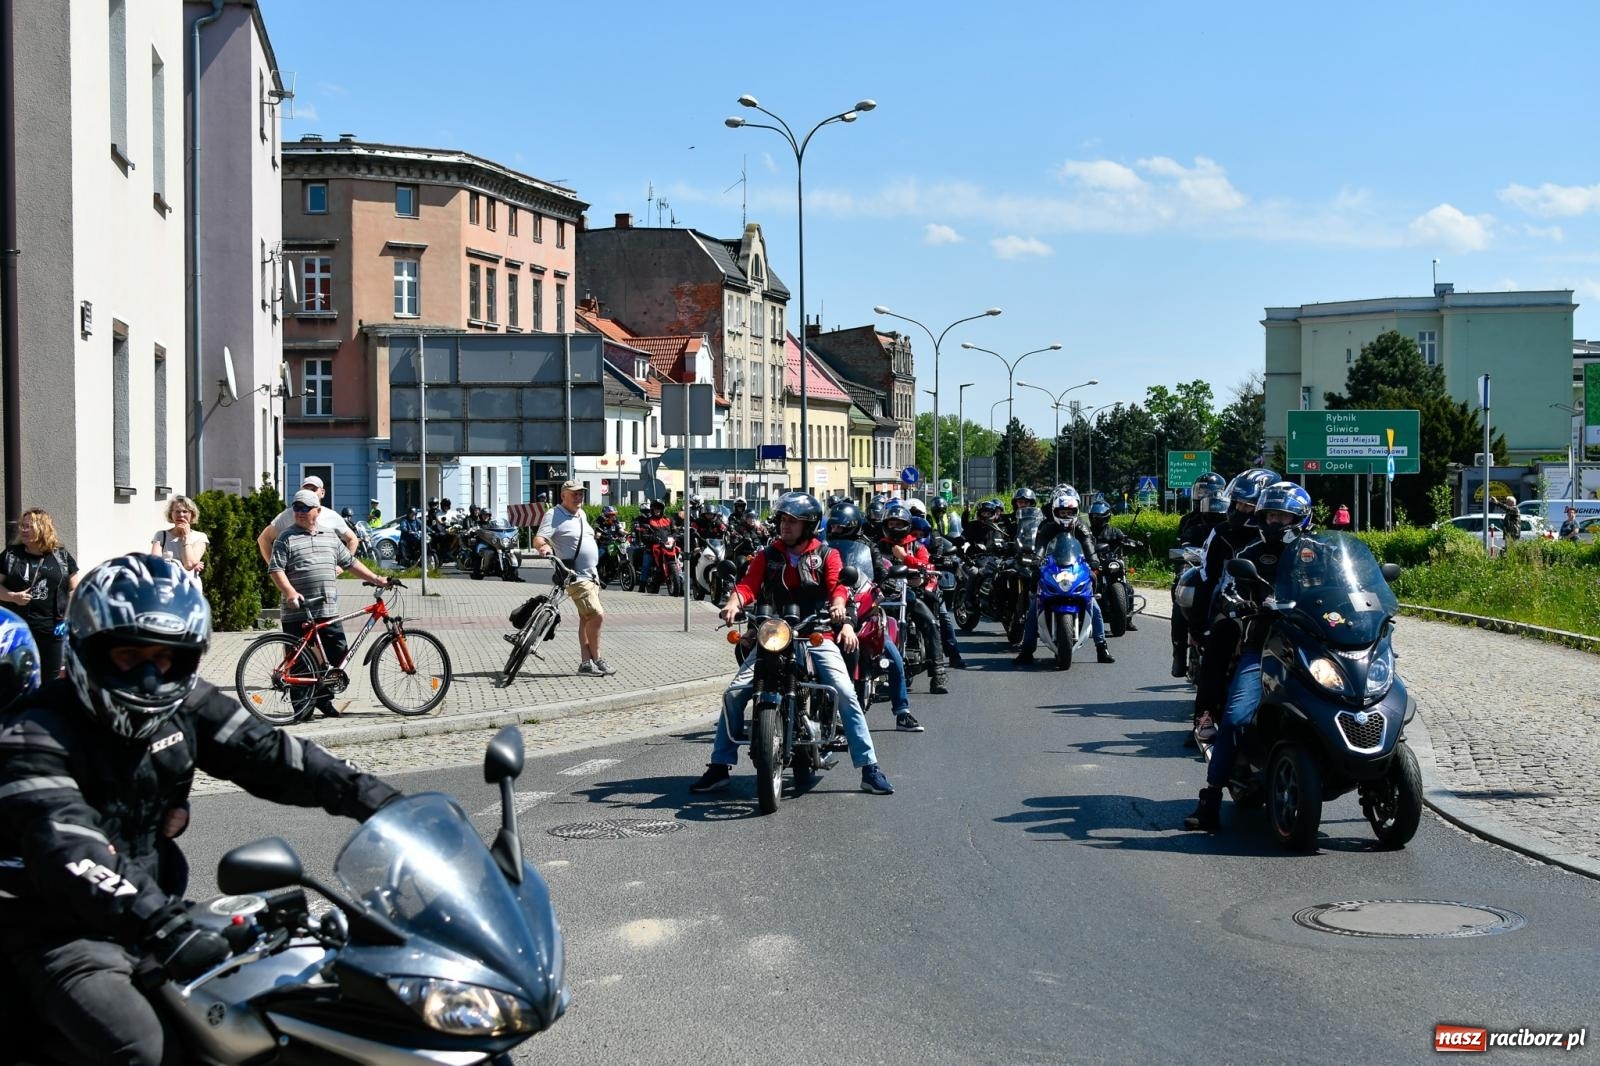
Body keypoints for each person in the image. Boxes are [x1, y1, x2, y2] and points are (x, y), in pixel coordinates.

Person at [0, 554, 403, 1066]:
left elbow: (275, 755)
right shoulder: (34, 736)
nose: (150, 676)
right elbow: (69, 847)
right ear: (88, 651)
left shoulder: (187, 705)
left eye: (165, 658)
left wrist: (379, 800)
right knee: (144, 1049)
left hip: (160, 915)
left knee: (300, 998)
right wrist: (162, 925)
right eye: (129, 656)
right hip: (63, 931)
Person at [692, 492, 893, 796]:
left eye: (793, 521)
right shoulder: (768, 554)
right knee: (734, 693)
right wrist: (733, 603)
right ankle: (719, 766)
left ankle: (869, 767)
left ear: (808, 525)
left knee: (844, 691)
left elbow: (838, 585)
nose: (785, 526)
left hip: (816, 633)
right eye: (783, 520)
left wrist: (838, 606)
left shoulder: (826, 555)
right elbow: (748, 584)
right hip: (774, 635)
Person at [1185, 481, 1311, 831]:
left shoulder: (1318, 554)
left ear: (1300, 518)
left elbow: (1344, 586)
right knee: (1238, 717)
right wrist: (1238, 602)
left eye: (1284, 516)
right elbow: (1227, 587)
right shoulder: (1252, 554)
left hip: (1312, 646)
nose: (1276, 522)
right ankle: (1210, 798)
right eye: (1270, 514)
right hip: (1264, 645)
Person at [268, 489, 397, 718]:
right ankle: (302, 708)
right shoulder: (285, 538)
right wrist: (289, 592)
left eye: (305, 508)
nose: (299, 512)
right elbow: (276, 569)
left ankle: (322, 700)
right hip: (298, 609)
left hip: (326, 607)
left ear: (317, 511)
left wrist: (377, 579)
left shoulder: (329, 536)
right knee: (300, 662)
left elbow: (350, 562)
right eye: (296, 508)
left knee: (337, 655)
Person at [1190, 468, 1277, 738]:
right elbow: (1207, 578)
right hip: (1237, 607)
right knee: (1222, 636)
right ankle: (1204, 716)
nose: (1240, 510)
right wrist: (1197, 625)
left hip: (1286, 611)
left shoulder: (1291, 538)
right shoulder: (1222, 533)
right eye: (1238, 503)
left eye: (1248, 506)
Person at [825, 500, 920, 732]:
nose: (835, 530)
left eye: (840, 527)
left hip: (864, 607)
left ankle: (902, 712)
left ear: (854, 525)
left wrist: (886, 584)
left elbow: (881, 572)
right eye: (833, 526)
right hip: (833, 610)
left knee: (893, 655)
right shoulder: (823, 547)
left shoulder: (869, 547)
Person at [1015, 490, 1114, 666]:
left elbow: (1088, 547)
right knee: (1033, 607)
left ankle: (1102, 648)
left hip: (1076, 567)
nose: (1066, 515)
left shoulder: (1082, 528)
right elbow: (1040, 547)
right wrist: (1036, 561)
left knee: (1094, 606)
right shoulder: (1048, 528)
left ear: (1075, 512)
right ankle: (1027, 650)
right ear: (1055, 512)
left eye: (1069, 512)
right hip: (1053, 568)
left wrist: (1095, 562)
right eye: (1062, 512)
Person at [532, 480, 612, 676]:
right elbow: (539, 538)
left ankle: (586, 664)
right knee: (597, 615)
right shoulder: (554, 514)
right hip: (575, 576)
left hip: (591, 575)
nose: (579, 497)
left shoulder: (581, 514)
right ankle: (598, 658)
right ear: (563, 495)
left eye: (581, 494)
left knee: (586, 618)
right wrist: (544, 547)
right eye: (574, 494)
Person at [878, 501, 950, 694]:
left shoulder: (916, 546)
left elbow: (926, 566)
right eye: (891, 524)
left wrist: (904, 558)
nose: (895, 528)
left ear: (907, 525)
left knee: (931, 622)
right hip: (882, 597)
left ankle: (938, 673)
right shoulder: (878, 547)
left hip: (909, 595)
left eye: (899, 524)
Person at [0, 507, 79, 682]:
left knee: (50, 680)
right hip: (18, 631)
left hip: (52, 630)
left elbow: (74, 588)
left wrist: (67, 617)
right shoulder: (11, 555)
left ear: (43, 528)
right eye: (22, 526)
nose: (23, 530)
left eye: (29, 526)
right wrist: (12, 596)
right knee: (18, 678)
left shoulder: (61, 557)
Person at [1171, 472, 1228, 677]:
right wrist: (1185, 553)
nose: (1204, 494)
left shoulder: (1229, 519)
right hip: (1192, 565)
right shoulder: (1189, 519)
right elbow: (1182, 544)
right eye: (1201, 489)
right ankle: (1178, 653)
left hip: (1221, 569)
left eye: (1209, 490)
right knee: (1179, 596)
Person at [257, 475, 359, 563]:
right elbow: (263, 539)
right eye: (306, 489)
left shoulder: (331, 516)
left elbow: (352, 540)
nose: (310, 493)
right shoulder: (289, 514)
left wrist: (341, 566)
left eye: (313, 490)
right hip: (295, 578)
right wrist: (275, 569)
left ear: (322, 493)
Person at [150, 496, 208, 587]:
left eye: (185, 511)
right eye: (177, 511)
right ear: (171, 514)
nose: (181, 515)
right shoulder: (160, 535)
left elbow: (188, 564)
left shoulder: (200, 537)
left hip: (189, 590)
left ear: (192, 514)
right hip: (167, 588)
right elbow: (155, 564)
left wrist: (186, 537)